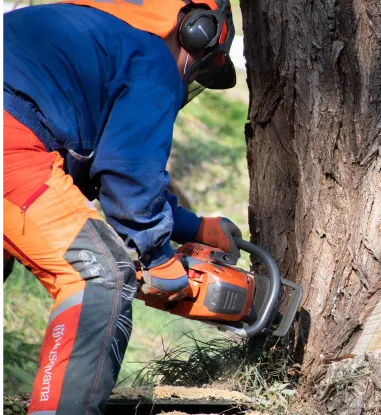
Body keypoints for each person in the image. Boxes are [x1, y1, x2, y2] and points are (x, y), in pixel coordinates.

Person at [1, 0, 244, 413]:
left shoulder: (97, 35)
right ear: (195, 29)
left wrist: (194, 228)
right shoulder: (152, 58)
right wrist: (157, 257)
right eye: (199, 66)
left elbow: (103, 172)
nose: (190, 76)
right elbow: (127, 172)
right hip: (11, 142)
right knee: (101, 278)